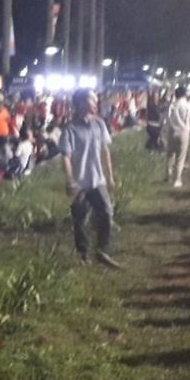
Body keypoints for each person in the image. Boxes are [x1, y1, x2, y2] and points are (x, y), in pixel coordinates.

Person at [60, 89, 120, 269]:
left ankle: (102, 249)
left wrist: (110, 177)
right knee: (79, 220)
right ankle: (83, 254)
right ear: (80, 104)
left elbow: (104, 151)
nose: (95, 103)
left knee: (107, 213)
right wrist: (70, 179)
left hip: (97, 180)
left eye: (95, 100)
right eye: (91, 100)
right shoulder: (70, 129)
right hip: (80, 183)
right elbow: (66, 157)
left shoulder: (99, 124)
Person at [162, 86, 190, 188]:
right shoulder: (188, 106)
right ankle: (177, 179)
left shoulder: (171, 105)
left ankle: (168, 175)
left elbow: (166, 120)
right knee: (181, 157)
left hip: (172, 132)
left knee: (170, 155)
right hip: (184, 132)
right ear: (184, 94)